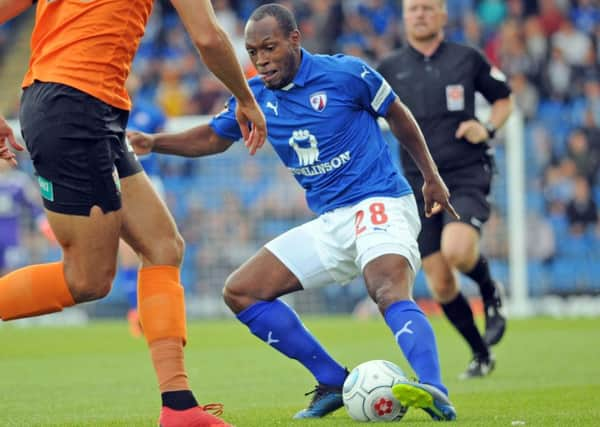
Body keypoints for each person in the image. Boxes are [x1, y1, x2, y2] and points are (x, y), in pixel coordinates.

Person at [129, 3, 458, 421]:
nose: (261, 59)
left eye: (269, 47)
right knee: (241, 290)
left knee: (386, 287)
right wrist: (154, 142)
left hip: (379, 201)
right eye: (253, 52)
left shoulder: (345, 74)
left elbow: (398, 114)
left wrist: (430, 175)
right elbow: (212, 138)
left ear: (294, 40)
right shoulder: (256, 97)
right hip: (331, 221)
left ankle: (433, 387)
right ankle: (332, 379)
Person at [0, 1, 266, 426]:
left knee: (163, 245)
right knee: (87, 279)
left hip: (90, 109)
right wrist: (245, 98)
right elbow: (208, 36)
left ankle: (180, 408)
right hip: (74, 107)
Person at [377, 0, 513, 379]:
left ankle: (490, 290)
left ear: (441, 15)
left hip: (466, 171)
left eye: (427, 7)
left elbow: (504, 98)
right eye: (412, 9)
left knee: (456, 250)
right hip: (419, 184)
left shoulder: (466, 59)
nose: (419, 14)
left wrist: (487, 128)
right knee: (438, 281)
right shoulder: (388, 69)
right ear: (404, 18)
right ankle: (480, 352)